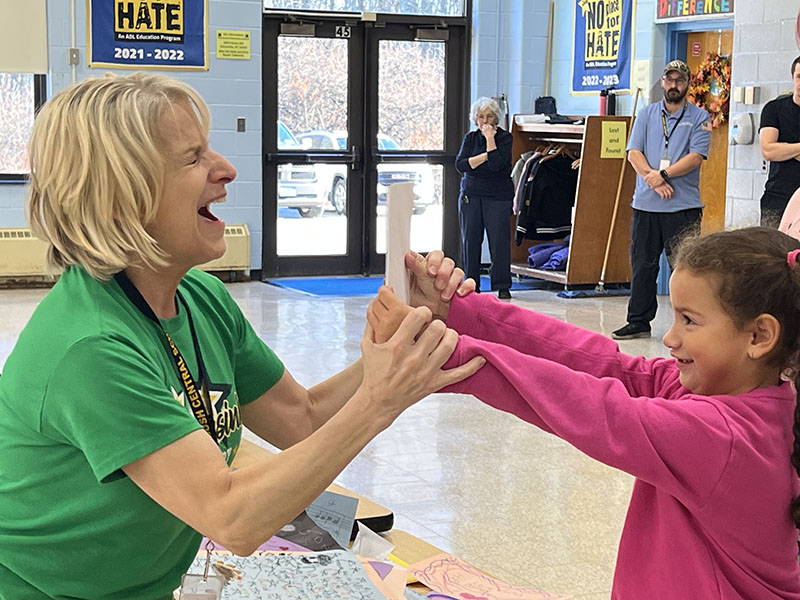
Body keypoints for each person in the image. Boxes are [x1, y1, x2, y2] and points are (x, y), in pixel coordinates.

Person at [0, 72, 484, 600]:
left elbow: (301, 418)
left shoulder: (199, 297)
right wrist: (377, 402)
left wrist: (403, 334)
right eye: (192, 159)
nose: (226, 170)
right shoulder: (91, 348)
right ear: (121, 199)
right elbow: (232, 517)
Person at [369, 227, 800, 599]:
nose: (669, 338)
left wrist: (446, 353)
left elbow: (596, 408)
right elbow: (601, 362)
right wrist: (460, 312)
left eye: (689, 321)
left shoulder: (722, 438)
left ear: (760, 335)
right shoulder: (735, 397)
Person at [612, 59, 711, 340]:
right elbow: (633, 152)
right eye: (669, 80)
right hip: (646, 204)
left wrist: (663, 174)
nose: (674, 85)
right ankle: (638, 321)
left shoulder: (700, 117)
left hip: (683, 207)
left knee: (685, 268)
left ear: (687, 84)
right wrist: (653, 180)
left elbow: (695, 157)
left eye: (679, 80)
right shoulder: (646, 114)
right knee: (643, 264)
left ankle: (690, 323)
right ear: (662, 83)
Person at [455, 96, 514, 299]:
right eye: (480, 117)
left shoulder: (505, 138)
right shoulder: (470, 139)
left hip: (498, 196)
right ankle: (472, 283)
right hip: (471, 194)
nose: (485, 121)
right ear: (475, 118)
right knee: (471, 239)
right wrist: (485, 157)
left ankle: (502, 284)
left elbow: (498, 166)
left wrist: (490, 140)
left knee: (498, 241)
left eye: (489, 116)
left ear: (496, 118)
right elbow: (460, 165)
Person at [759, 55, 800, 226]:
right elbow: (768, 151)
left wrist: (785, 149)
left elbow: (775, 149)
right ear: (792, 78)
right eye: (799, 77)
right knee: (772, 252)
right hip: (777, 199)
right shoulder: (773, 109)